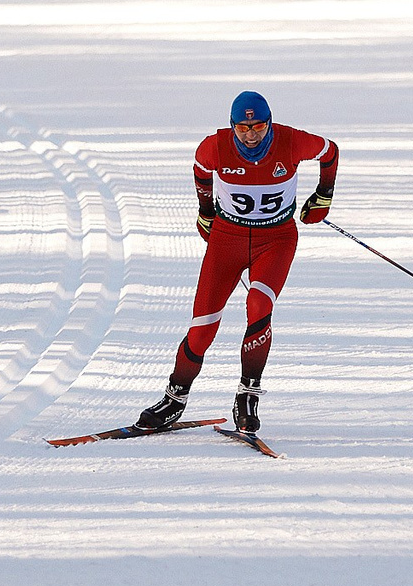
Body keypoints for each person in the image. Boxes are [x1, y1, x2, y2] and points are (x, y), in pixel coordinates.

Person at [135, 91, 338, 435]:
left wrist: (323, 196)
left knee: (258, 303)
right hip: (227, 241)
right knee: (202, 328)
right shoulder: (214, 147)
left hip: (276, 240)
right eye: (243, 128)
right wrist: (205, 212)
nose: (251, 135)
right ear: (232, 126)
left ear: (269, 123)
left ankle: (247, 395)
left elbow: (329, 151)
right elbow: (201, 171)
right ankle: (175, 399)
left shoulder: (292, 141)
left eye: (258, 126)